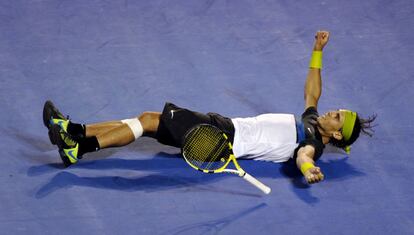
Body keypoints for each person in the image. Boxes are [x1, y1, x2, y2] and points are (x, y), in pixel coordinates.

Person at [43, 31, 376, 184]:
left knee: (146, 120)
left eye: (337, 117)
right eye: (337, 111)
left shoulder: (312, 145)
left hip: (219, 140)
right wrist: (317, 51)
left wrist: (308, 171)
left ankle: (79, 148)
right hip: (222, 123)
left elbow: (303, 158)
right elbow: (312, 92)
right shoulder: (312, 120)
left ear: (334, 136)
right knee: (145, 119)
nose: (332, 112)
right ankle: (73, 132)